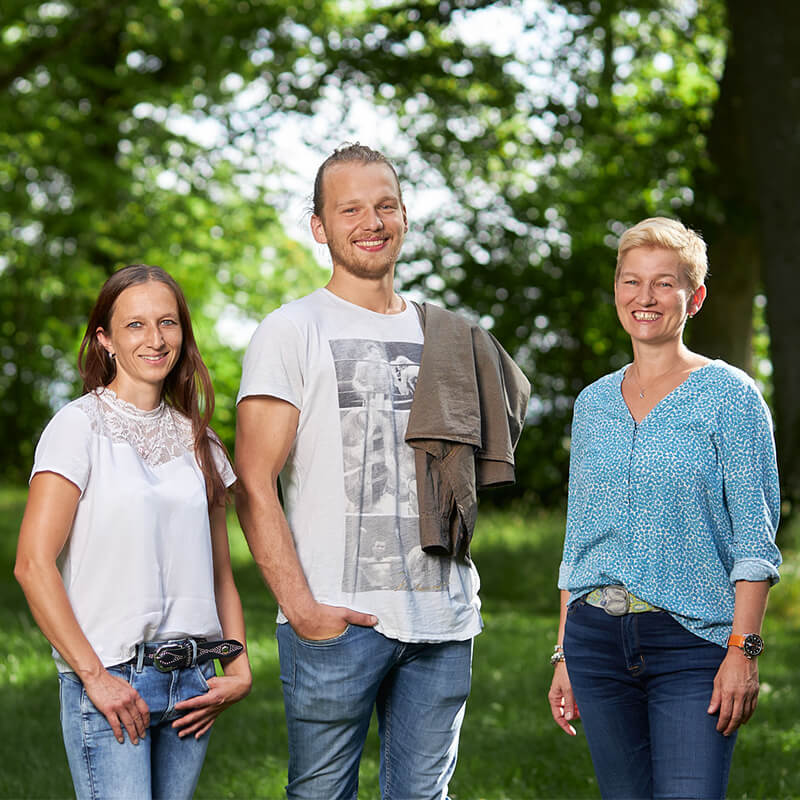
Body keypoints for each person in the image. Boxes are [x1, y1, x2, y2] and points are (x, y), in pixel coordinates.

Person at [235, 143, 529, 799]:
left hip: (445, 621)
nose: (372, 221)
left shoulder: (449, 336)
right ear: (320, 227)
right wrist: (302, 609)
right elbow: (252, 483)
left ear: (403, 216)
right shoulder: (291, 330)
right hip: (336, 624)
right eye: (351, 209)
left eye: (386, 206)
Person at [548, 217, 782, 799]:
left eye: (663, 283)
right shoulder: (594, 403)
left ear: (694, 296)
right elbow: (579, 542)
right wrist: (564, 652)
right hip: (596, 641)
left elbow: (755, 542)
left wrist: (743, 652)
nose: (644, 297)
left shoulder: (731, 397)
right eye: (631, 281)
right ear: (617, 291)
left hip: (693, 645)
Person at [14, 264, 252, 800]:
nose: (155, 339)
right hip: (112, 677)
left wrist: (236, 667)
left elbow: (219, 572)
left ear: (183, 334)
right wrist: (94, 677)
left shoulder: (202, 442)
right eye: (136, 325)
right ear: (106, 339)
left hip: (192, 682)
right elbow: (32, 564)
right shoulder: (78, 427)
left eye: (167, 323)